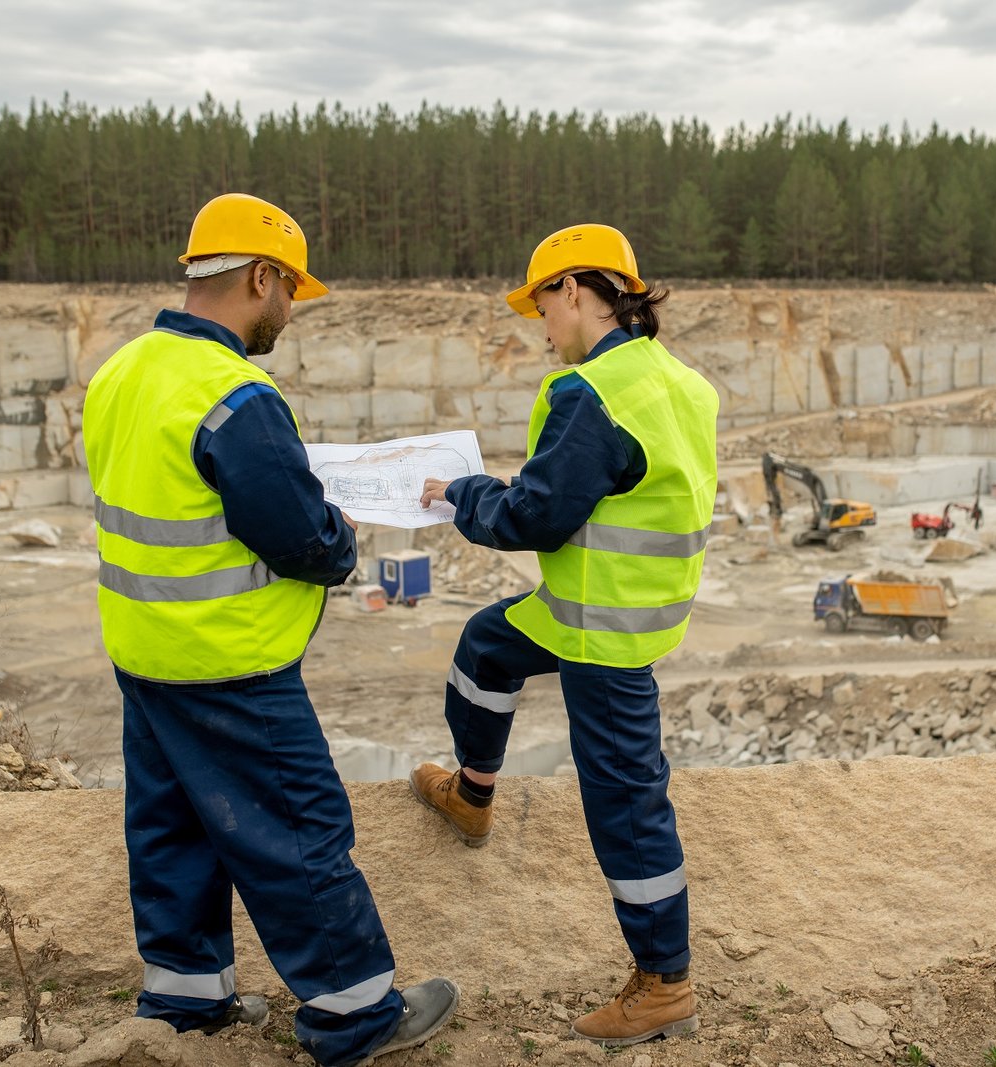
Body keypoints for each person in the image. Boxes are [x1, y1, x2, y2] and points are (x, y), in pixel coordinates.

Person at [81, 192, 457, 1067]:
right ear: (260, 277)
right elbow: (305, 542)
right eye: (289, 290)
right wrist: (340, 530)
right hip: (232, 660)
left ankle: (184, 1003)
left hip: (146, 651)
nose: (289, 310)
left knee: (172, 827)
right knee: (297, 830)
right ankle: (356, 1016)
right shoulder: (237, 395)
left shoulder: (123, 370)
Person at [412, 223, 719, 1048]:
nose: (542, 328)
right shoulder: (678, 381)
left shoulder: (593, 393)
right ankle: (472, 795)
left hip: (602, 628)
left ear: (574, 291)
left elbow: (534, 516)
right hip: (622, 603)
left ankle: (665, 983)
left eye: (542, 305)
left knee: (625, 798)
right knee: (488, 646)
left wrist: (463, 493)